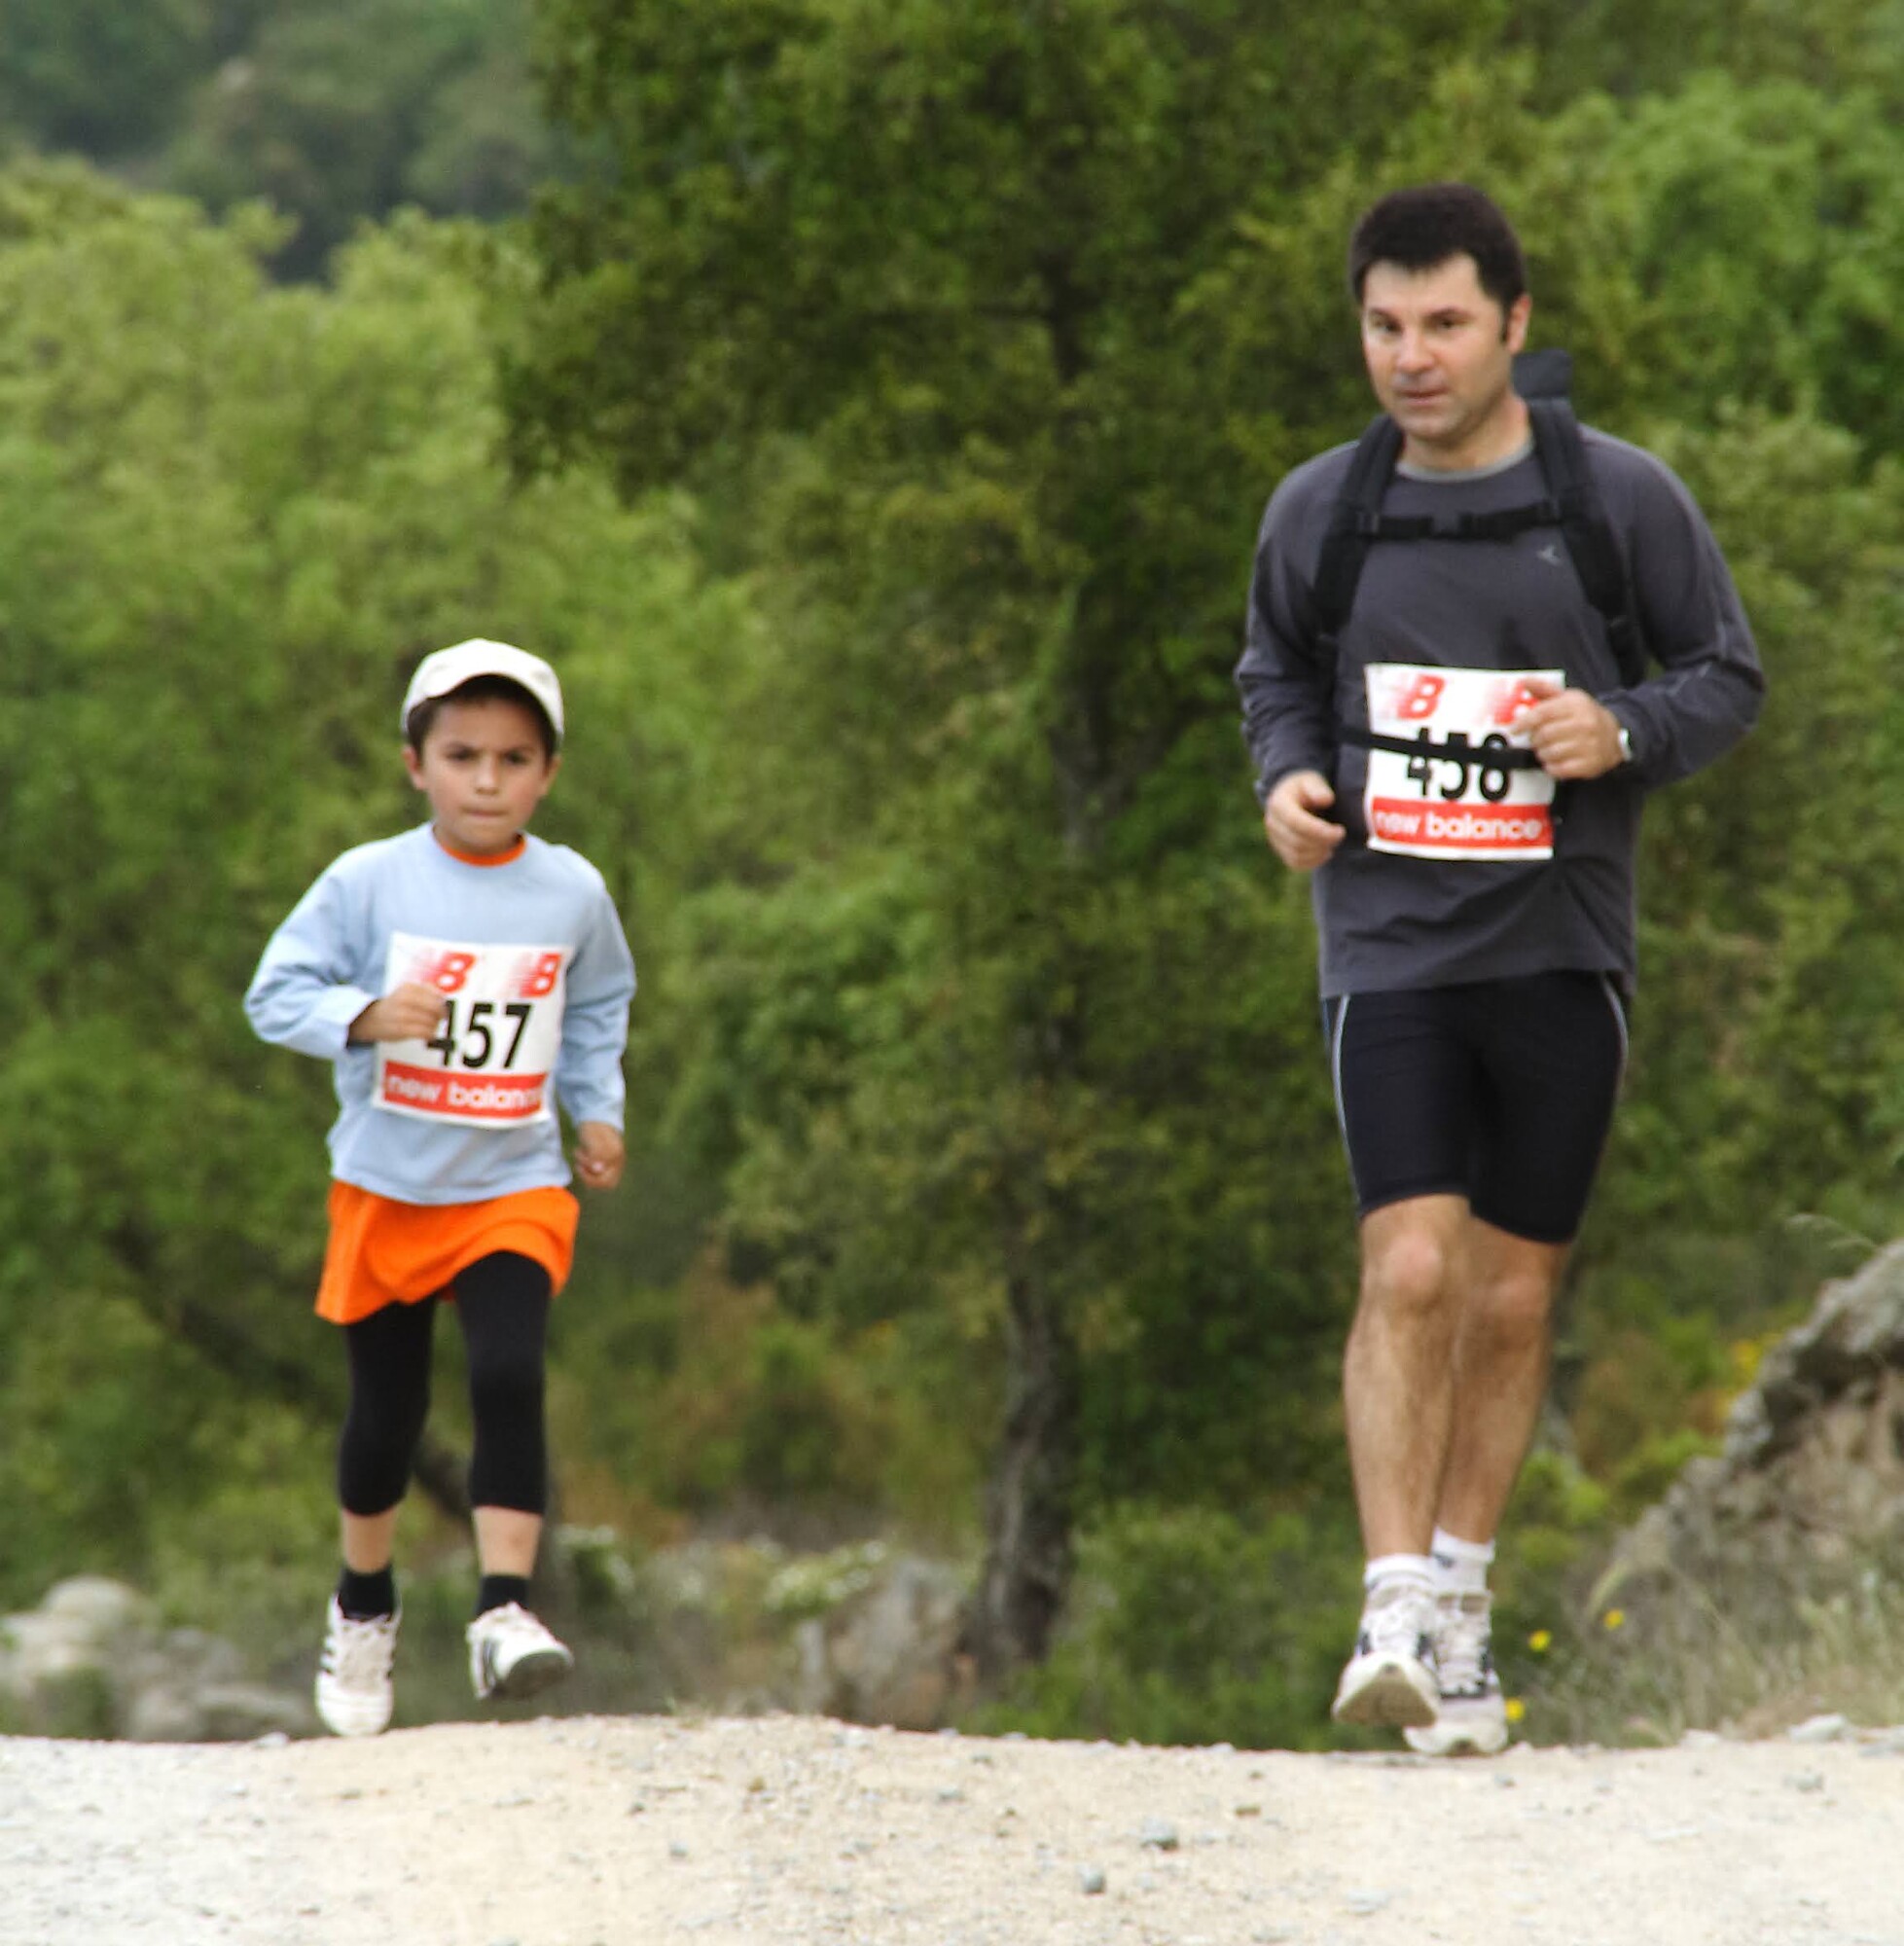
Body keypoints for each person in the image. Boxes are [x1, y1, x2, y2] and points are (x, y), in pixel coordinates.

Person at [1236, 185, 1764, 1755]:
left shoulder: (1618, 503)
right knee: (1407, 1267)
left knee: (1512, 1297)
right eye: (1384, 326)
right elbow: (1272, 666)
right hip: (1387, 948)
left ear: (1512, 327)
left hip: (1560, 947)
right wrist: (1284, 781)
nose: (1411, 357)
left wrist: (1623, 733)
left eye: (1444, 324)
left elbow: (1725, 677)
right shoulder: (1318, 514)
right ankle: (1388, 1599)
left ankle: (1460, 1607)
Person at [246, 639, 636, 1738]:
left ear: (548, 773)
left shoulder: (571, 891)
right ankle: (364, 1600)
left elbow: (598, 1003)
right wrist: (364, 1016)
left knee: (509, 1371)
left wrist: (593, 1106)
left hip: (514, 1179)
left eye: (514, 758)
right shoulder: (368, 879)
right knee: (388, 1415)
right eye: (461, 753)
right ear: (415, 762)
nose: (486, 779)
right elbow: (274, 992)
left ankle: (504, 1607)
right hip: (387, 1183)